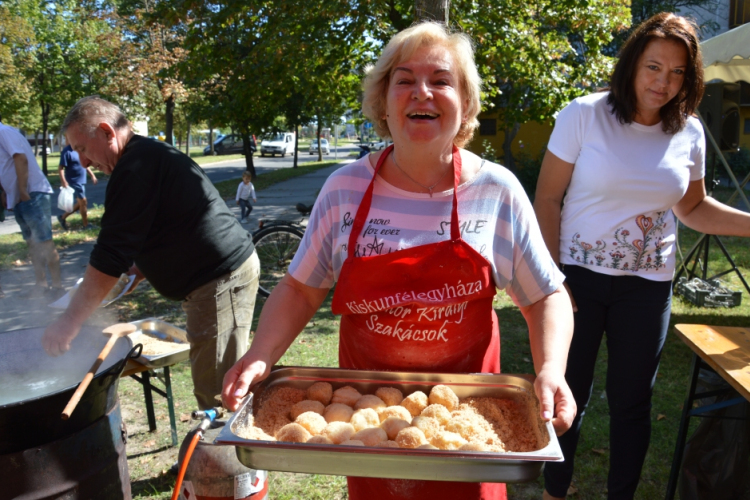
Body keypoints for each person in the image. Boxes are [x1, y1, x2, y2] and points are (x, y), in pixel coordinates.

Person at [222, 22, 575, 500]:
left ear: (466, 102)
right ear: (383, 101)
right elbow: (302, 287)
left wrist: (551, 368)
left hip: (467, 415)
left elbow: (544, 296)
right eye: (404, 80)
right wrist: (260, 354)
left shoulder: (496, 191)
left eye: (441, 80)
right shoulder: (344, 189)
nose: (421, 92)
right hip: (369, 421)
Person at [534, 13, 750, 500]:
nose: (664, 82)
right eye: (654, 67)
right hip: (577, 279)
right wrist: (553, 278)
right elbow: (547, 199)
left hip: (648, 287)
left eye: (677, 73)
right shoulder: (583, 115)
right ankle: (555, 492)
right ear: (632, 64)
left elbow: (691, 207)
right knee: (569, 394)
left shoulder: (688, 131)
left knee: (632, 403)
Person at [41, 96, 261, 410]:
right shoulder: (142, 157)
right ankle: (216, 455)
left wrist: (69, 321)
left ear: (107, 132)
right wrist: (141, 267)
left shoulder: (136, 166)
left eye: (82, 149)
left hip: (220, 279)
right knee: (216, 385)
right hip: (214, 280)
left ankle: (224, 457)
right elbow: (164, 222)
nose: (83, 162)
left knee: (219, 393)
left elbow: (109, 255)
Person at [0, 114, 64, 299]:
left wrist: (22, 189)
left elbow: (20, 159)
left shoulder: (3, 132)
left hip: (32, 194)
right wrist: (6, 192)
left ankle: (58, 288)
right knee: (32, 244)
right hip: (20, 197)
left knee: (44, 242)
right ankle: (41, 286)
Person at [57, 143, 98, 230]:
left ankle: (62, 217)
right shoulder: (67, 151)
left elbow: (85, 164)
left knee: (81, 203)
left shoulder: (79, 150)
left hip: (81, 181)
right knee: (83, 202)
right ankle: (86, 225)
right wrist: (63, 181)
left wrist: (92, 175)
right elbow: (61, 167)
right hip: (74, 181)